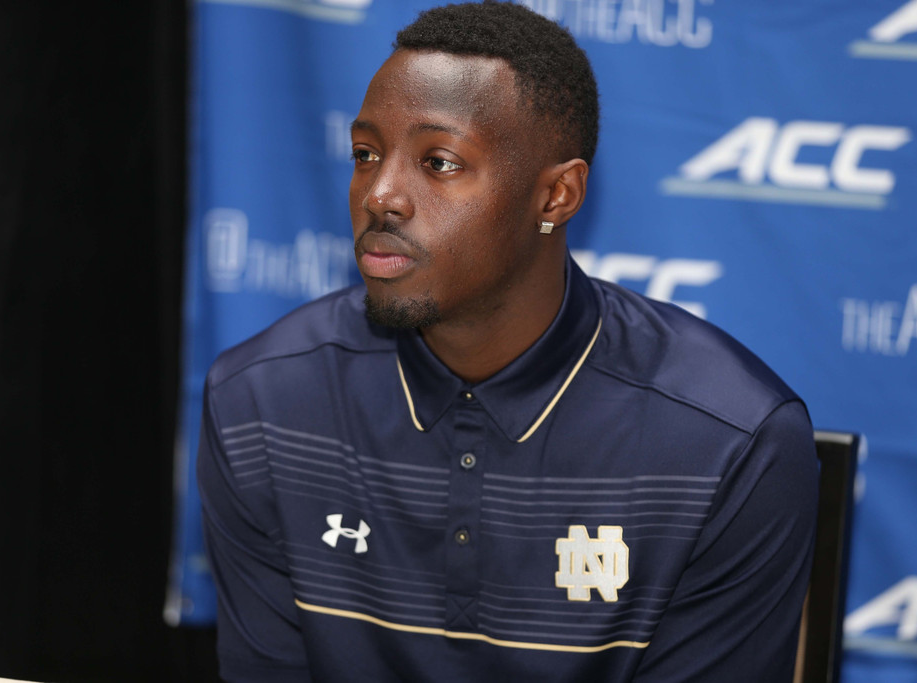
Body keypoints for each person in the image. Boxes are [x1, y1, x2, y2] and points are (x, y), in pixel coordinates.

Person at [197, 2, 818, 681]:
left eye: (438, 162)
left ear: (556, 196)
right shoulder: (261, 402)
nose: (380, 194)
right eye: (366, 154)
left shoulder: (728, 442)